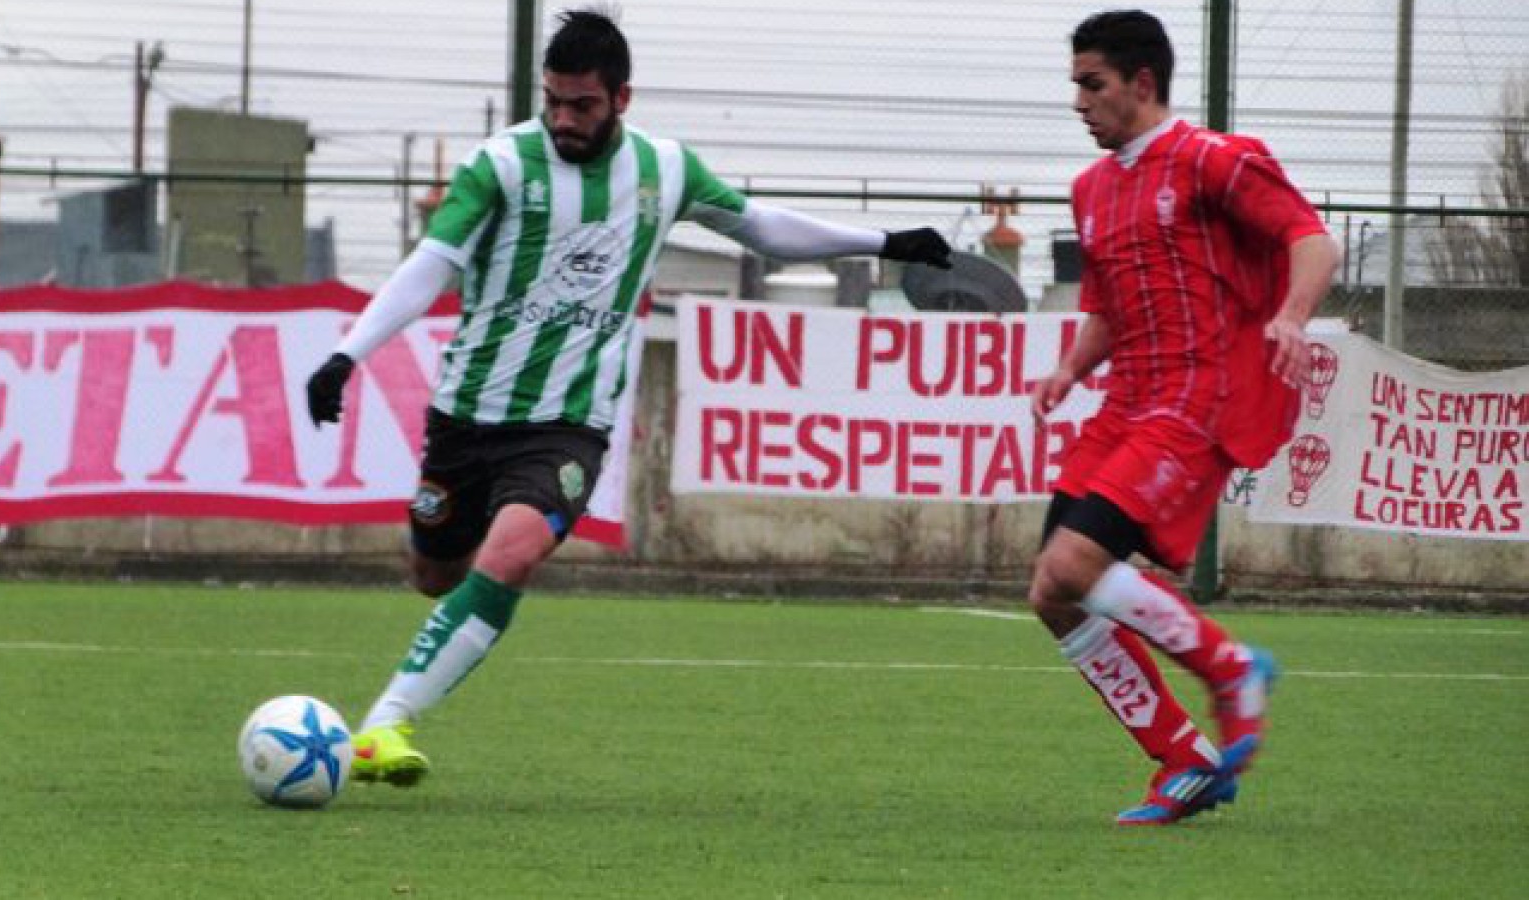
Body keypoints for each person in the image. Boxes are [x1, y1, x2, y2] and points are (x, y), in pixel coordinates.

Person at [303, 7, 952, 787]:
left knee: (512, 553)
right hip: (469, 416)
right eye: (554, 101)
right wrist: (348, 355)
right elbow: (432, 263)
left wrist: (885, 242)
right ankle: (428, 654)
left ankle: (384, 722)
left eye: (583, 105)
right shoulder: (502, 164)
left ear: (622, 99)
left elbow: (759, 228)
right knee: (435, 575)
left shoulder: (664, 168)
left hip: (570, 426)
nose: (565, 120)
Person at [1028, 10, 1338, 825]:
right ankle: (1186, 760)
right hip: (1125, 402)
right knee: (1051, 594)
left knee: (1073, 563)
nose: (1079, 102)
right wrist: (1068, 369)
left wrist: (1293, 317)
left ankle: (1231, 666)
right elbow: (1106, 308)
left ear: (1143, 82)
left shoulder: (1212, 161)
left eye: (1092, 85)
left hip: (1198, 400)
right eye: (1074, 85)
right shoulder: (1090, 188)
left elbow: (1311, 239)